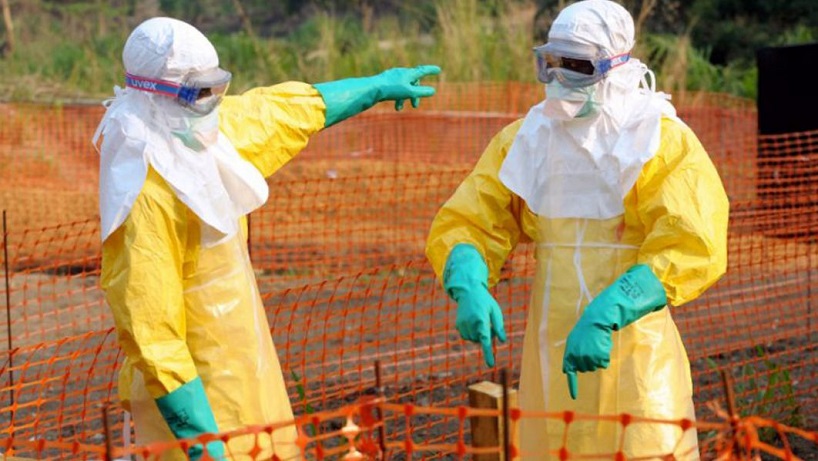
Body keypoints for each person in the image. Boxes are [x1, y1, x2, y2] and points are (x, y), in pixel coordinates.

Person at [94, 17, 439, 461]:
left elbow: (286, 111)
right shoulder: (142, 192)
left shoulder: (203, 133)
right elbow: (153, 334)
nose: (214, 103)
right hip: (191, 405)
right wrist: (201, 442)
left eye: (217, 88)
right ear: (155, 94)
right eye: (201, 93)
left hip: (249, 372)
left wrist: (375, 86)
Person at [426, 0, 728, 459]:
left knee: (643, 445)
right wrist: (468, 283)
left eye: (577, 66)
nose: (560, 78)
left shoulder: (658, 139)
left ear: (616, 67)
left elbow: (692, 240)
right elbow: (472, 218)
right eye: (551, 63)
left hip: (636, 353)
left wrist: (609, 310)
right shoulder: (526, 139)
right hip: (550, 348)